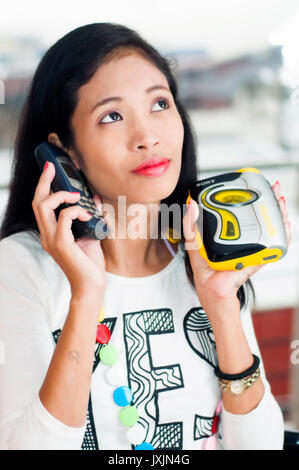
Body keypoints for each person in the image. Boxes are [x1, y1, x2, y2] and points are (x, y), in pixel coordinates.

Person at [0, 23, 291, 450]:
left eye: (159, 103)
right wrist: (87, 293)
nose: (147, 136)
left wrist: (221, 304)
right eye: (112, 116)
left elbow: (260, 446)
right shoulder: (21, 266)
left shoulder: (202, 251)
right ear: (67, 153)